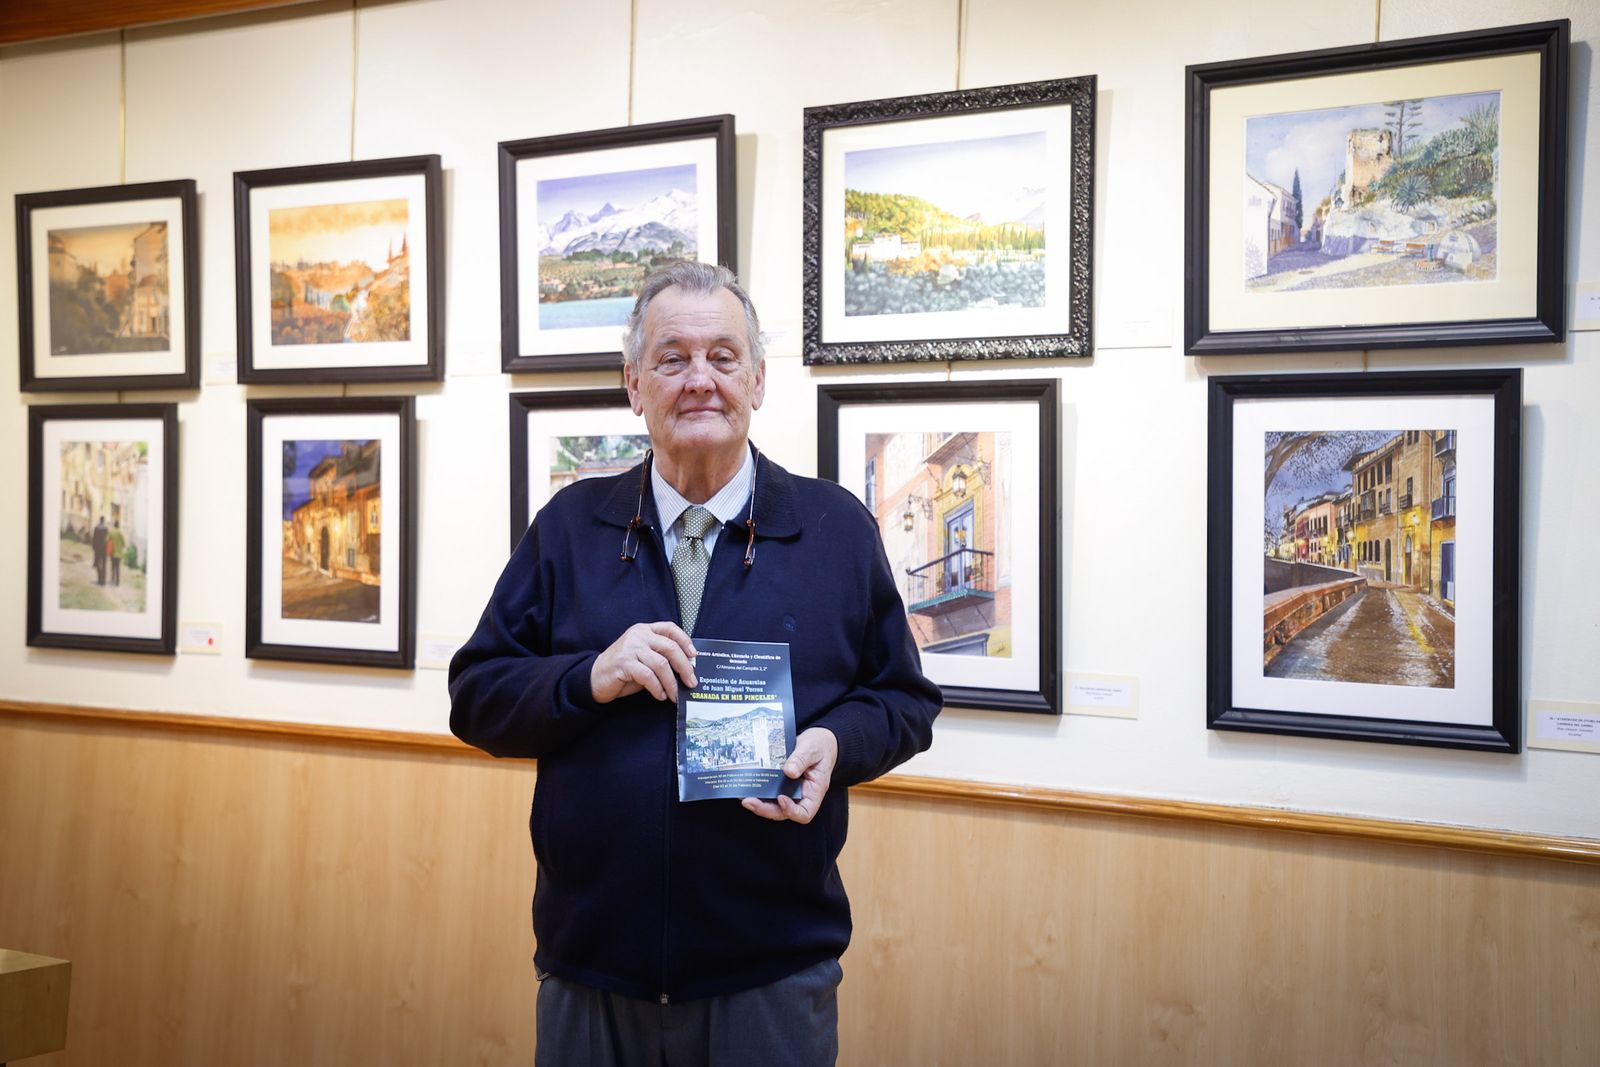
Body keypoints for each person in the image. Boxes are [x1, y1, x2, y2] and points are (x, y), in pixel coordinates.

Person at [449, 261, 942, 1066]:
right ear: (634, 385)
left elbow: (902, 699)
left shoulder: (836, 529)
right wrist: (587, 677)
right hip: (591, 968)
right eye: (673, 358)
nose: (700, 379)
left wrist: (836, 746)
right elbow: (475, 695)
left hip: (772, 970)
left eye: (722, 356)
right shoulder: (571, 526)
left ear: (756, 379)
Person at [91, 516, 108, 586]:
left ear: (99, 520)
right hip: (104, 548)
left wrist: (94, 547)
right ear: (103, 521)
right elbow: (107, 538)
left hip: (98, 548)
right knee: (104, 564)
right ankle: (103, 580)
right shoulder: (106, 529)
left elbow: (94, 538)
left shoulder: (96, 528)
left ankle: (99, 579)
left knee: (98, 563)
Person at [108, 521, 126, 586]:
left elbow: (107, 540)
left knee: (113, 567)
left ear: (114, 525)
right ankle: (117, 582)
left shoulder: (111, 532)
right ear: (118, 525)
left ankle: (112, 579)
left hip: (112, 553)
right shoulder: (120, 533)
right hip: (119, 554)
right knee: (118, 568)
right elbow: (124, 543)